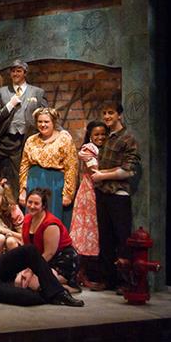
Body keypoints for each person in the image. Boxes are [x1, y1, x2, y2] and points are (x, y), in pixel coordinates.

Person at [91, 102, 141, 292]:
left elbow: (129, 170)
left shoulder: (127, 138)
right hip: (103, 193)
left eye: (110, 113)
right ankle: (108, 280)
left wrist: (103, 175)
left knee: (122, 238)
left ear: (119, 115)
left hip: (118, 194)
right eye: (104, 113)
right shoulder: (107, 138)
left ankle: (125, 282)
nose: (107, 116)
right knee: (105, 238)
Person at [0, 60, 47, 188]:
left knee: (20, 176)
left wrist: (60, 131)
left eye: (19, 71)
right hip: (4, 140)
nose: (15, 73)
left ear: (25, 73)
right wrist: (10, 105)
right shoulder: (1, 92)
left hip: (24, 140)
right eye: (13, 71)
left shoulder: (37, 92)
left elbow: (47, 115)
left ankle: (19, 204)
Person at [18, 107, 79, 228]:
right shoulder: (31, 140)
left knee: (52, 219)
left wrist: (68, 193)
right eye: (40, 122)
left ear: (53, 122)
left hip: (55, 184)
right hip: (34, 182)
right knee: (34, 220)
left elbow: (71, 166)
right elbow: (24, 165)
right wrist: (23, 190)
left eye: (46, 122)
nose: (43, 125)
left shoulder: (64, 139)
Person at [21, 188, 81, 293]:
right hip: (41, 260)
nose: (32, 206)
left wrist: (31, 270)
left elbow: (49, 253)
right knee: (19, 282)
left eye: (36, 203)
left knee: (33, 284)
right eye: (30, 202)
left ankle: (68, 287)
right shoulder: (27, 219)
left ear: (43, 206)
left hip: (60, 260)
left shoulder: (50, 223)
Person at [71, 121, 108, 289]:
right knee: (86, 232)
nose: (100, 137)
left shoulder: (107, 148)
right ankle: (80, 273)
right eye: (96, 134)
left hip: (101, 192)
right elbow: (96, 170)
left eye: (103, 134)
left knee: (99, 232)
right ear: (90, 136)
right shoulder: (88, 150)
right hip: (89, 194)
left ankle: (96, 273)